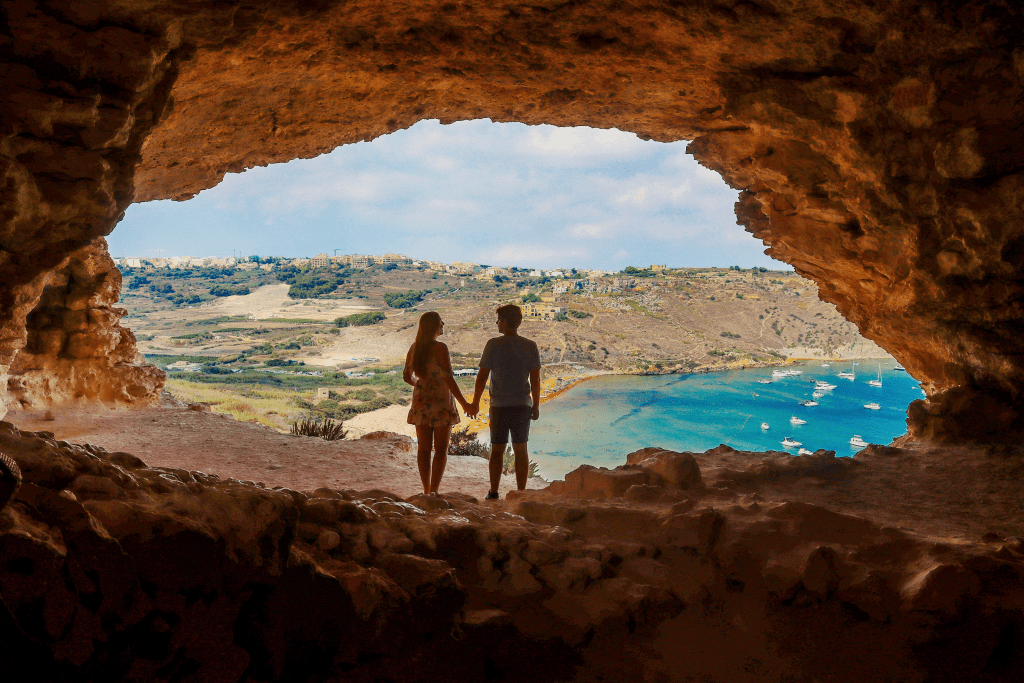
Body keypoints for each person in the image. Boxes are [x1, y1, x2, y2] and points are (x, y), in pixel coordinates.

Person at [469, 304, 541, 500]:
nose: (496, 323)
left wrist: (475, 402)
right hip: (522, 405)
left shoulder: (493, 344)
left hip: (499, 406)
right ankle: (521, 492)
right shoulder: (530, 345)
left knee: (497, 451)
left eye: (498, 319)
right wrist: (536, 405)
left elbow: (481, 377)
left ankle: (493, 492)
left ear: (506, 322)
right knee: (521, 450)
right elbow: (535, 380)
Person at [404, 311, 471, 496]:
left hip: (421, 400)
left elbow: (406, 376)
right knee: (441, 450)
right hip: (441, 402)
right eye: (441, 322)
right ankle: (434, 490)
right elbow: (448, 378)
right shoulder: (441, 348)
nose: (443, 324)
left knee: (423, 449)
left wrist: (420, 385)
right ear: (434, 326)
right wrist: (465, 403)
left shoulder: (415, 347)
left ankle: (426, 490)